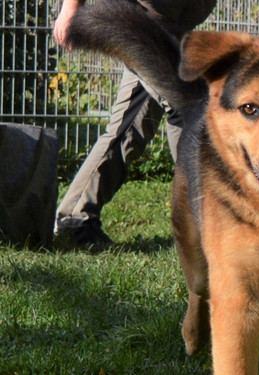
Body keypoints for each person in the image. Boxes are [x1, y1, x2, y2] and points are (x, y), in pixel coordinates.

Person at [53, 0, 215, 245]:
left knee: (130, 126)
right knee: (189, 111)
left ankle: (74, 219)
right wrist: (70, 9)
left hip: (172, 25)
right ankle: (211, 221)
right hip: (141, 21)